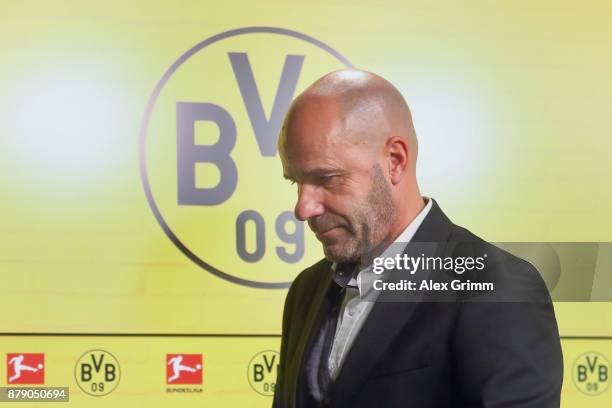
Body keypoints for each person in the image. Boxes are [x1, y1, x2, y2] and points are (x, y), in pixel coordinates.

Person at [273, 69, 563, 407]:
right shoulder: (306, 289)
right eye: (296, 182)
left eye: (328, 178)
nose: (303, 208)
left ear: (395, 161)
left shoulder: (497, 286)